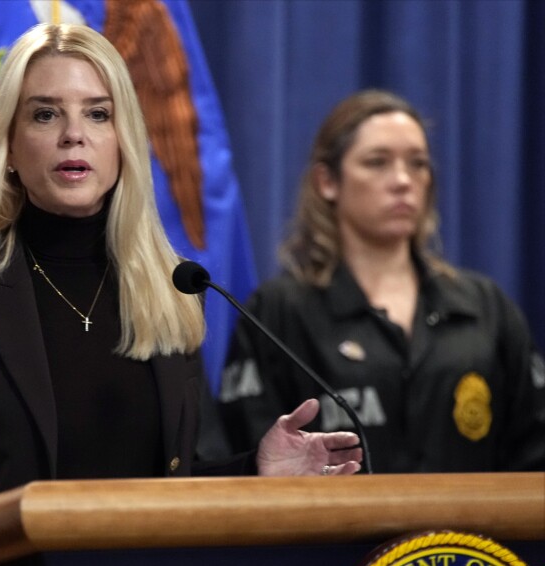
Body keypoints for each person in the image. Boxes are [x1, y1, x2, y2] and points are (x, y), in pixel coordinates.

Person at [0, 23, 363, 538]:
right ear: (8, 142)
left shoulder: (172, 287)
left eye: (98, 114)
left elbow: (176, 488)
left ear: (123, 142)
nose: (74, 134)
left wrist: (256, 470)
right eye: (45, 114)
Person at [218, 89, 545, 473]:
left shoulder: (485, 306)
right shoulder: (277, 312)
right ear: (327, 182)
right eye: (377, 162)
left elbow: (533, 453)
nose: (403, 180)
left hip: (469, 534)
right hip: (336, 531)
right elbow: (249, 459)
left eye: (418, 164)